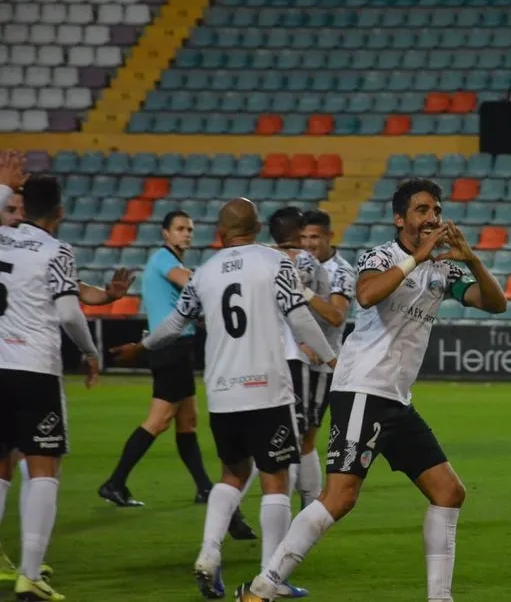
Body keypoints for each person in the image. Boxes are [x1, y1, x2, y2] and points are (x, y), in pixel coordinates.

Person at [235, 178, 507, 602]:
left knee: (449, 491)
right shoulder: (382, 255)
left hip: (396, 398)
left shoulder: (444, 268)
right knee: (340, 497)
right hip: (362, 389)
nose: (432, 217)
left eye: (436, 209)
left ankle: (440, 598)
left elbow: (495, 302)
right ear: (400, 219)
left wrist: (471, 260)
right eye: (421, 210)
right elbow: (365, 295)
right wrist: (416, 258)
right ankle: (263, 588)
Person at [110, 197, 338, 600]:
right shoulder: (275, 263)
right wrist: (333, 358)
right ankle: (272, 576)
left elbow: (176, 322)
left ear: (220, 233)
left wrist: (142, 346)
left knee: (232, 475)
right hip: (267, 389)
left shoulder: (203, 273)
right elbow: (300, 316)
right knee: (275, 482)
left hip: (223, 394)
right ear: (256, 228)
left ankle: (208, 552)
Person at [0, 152, 132, 585]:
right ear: (60, 211)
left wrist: (4, 186)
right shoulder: (57, 250)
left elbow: (70, 291)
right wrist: (91, 352)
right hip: (36, 369)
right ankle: (31, 574)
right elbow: (70, 312)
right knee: (44, 468)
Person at [97, 210, 253, 540]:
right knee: (159, 420)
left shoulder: (167, 261)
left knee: (188, 421)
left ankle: (202, 488)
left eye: (190, 229)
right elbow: (192, 284)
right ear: (165, 233)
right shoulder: (163, 260)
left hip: (178, 349)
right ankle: (114, 482)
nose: (186, 234)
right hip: (169, 349)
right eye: (180, 229)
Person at [268, 207, 344, 510]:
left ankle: (302, 505)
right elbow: (301, 313)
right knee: (294, 439)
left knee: (281, 437)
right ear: (299, 233)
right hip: (296, 359)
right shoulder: (310, 265)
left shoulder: (260, 260)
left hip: (263, 359)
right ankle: (294, 507)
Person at [298, 209, 353, 507]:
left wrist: (303, 291)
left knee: (306, 438)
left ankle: (310, 506)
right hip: (291, 363)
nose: (308, 243)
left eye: (314, 237)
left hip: (321, 367)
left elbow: (336, 316)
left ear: (330, 236)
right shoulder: (297, 264)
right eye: (303, 237)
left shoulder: (341, 271)